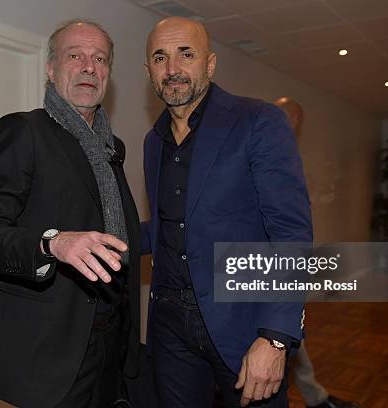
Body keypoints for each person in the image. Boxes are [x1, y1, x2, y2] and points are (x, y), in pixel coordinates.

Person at [0, 20, 141, 408]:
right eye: (75, 56)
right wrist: (52, 243)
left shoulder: (112, 148)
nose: (89, 67)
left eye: (100, 59)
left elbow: (114, 233)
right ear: (51, 68)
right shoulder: (23, 131)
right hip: (50, 352)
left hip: (110, 342)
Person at [141, 17, 312, 408]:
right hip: (169, 327)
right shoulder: (154, 142)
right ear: (148, 70)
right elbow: (171, 228)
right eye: (160, 57)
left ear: (210, 64)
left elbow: (291, 234)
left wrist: (275, 337)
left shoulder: (259, 121)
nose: (172, 70)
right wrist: (92, 237)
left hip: (243, 324)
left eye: (186, 54)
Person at [275, 97, 360, 408]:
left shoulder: (286, 154)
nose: (296, 128)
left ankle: (316, 398)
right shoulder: (268, 151)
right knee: (283, 334)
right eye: (296, 121)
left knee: (291, 335)